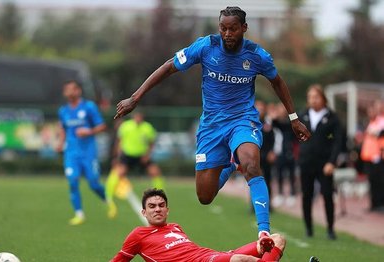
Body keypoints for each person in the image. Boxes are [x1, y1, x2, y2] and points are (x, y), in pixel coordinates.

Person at [114, 6, 311, 247]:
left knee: (251, 164)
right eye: (223, 28)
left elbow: (277, 82)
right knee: (205, 196)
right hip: (211, 126)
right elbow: (169, 66)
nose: (227, 33)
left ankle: (264, 231)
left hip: (242, 119)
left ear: (244, 29)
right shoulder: (205, 46)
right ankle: (230, 165)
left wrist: (293, 118)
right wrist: (135, 98)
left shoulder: (257, 55)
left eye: (233, 28)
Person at [110, 188, 287, 262]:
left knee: (278, 239)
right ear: (144, 213)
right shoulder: (138, 234)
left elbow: (193, 252)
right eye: (152, 206)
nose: (157, 209)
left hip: (211, 257)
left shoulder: (175, 227)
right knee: (240, 260)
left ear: (167, 210)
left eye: (161, 206)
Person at [56, 80, 107, 225]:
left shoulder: (89, 107)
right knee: (72, 181)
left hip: (88, 152)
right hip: (71, 153)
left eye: (72, 89)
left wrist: (89, 131)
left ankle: (106, 198)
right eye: (66, 89)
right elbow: (62, 129)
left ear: (78, 91)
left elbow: (102, 126)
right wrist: (60, 143)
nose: (69, 92)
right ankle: (79, 214)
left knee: (93, 183)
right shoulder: (63, 111)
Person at [298, 84, 342, 240]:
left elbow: (338, 142)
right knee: (306, 195)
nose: (313, 100)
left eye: (316, 97)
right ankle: (308, 228)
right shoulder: (302, 115)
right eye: (310, 97)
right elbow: (292, 134)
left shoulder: (332, 117)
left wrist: (332, 162)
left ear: (323, 98)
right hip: (306, 162)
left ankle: (330, 228)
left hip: (324, 164)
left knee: (327, 195)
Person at [106, 111, 165, 218]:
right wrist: (117, 157)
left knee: (155, 172)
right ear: (133, 117)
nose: (138, 118)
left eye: (140, 116)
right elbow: (119, 142)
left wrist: (147, 155)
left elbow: (151, 143)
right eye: (136, 116)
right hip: (128, 155)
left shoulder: (147, 127)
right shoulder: (125, 126)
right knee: (118, 172)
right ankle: (109, 199)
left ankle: (159, 196)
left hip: (141, 155)